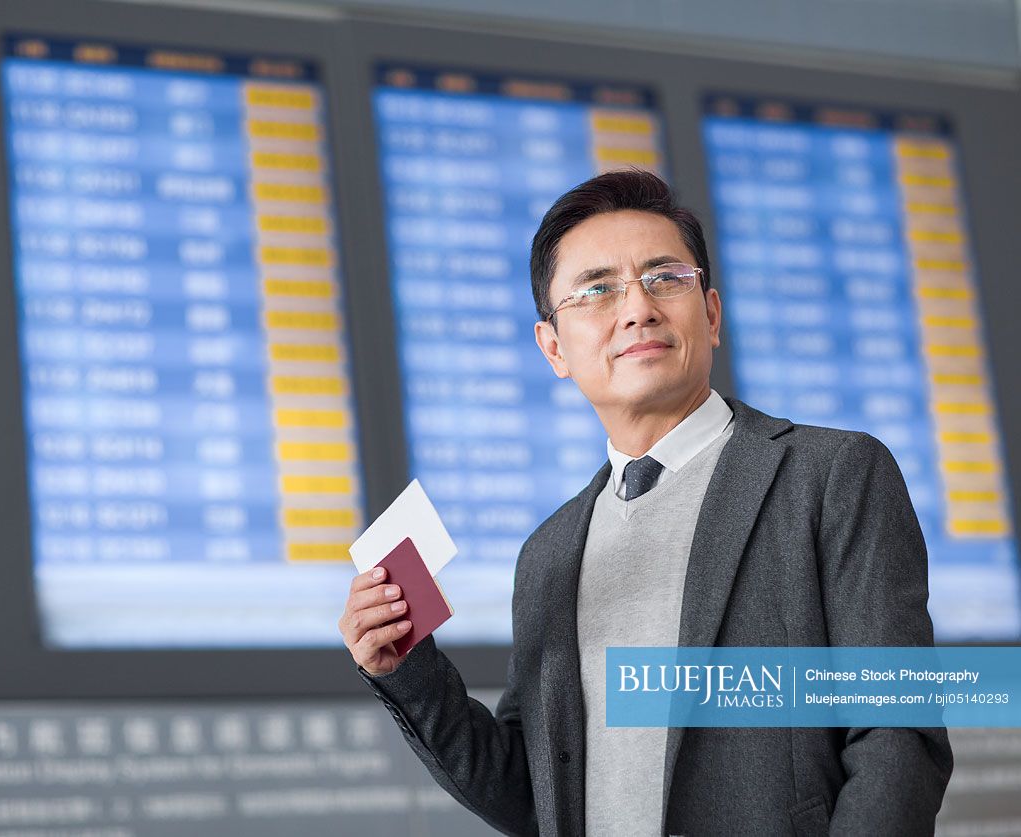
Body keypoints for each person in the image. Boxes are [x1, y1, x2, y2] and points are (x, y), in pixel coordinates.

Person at [337, 169, 953, 835]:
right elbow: (530, 794)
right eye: (597, 290)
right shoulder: (548, 552)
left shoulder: (831, 474)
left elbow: (897, 734)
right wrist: (409, 671)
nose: (636, 308)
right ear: (553, 348)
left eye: (664, 278)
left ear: (710, 313)